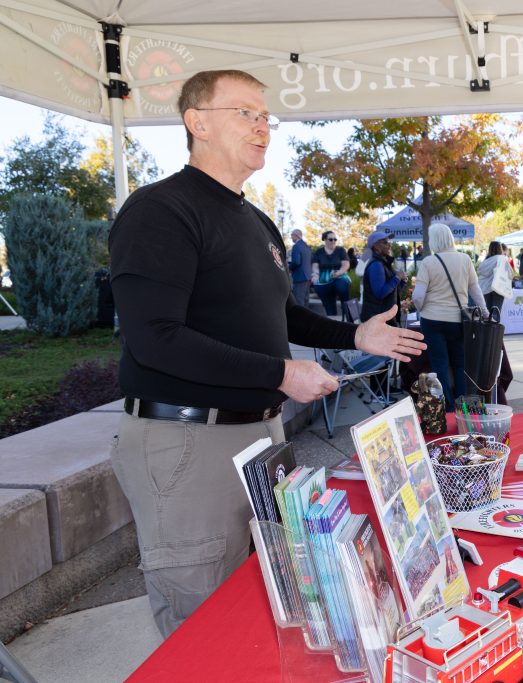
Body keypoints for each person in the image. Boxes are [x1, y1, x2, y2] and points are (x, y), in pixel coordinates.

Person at [107, 69, 425, 638]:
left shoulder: (255, 220)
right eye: (246, 113)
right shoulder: (161, 210)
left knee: (267, 601)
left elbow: (279, 315)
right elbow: (154, 336)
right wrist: (281, 372)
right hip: (188, 443)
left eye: (265, 116)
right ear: (197, 122)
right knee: (201, 621)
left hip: (262, 438)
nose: (262, 127)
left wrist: (354, 336)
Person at [411, 222, 487, 408]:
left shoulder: (428, 262)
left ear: (434, 240)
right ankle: (463, 405)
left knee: (440, 365)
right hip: (458, 320)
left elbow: (418, 296)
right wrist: (484, 310)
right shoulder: (465, 259)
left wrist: (421, 309)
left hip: (432, 319)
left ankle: (447, 407)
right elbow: (475, 289)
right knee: (460, 364)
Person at [361, 230, 407, 325]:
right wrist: (397, 278)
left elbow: (394, 292)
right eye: (385, 242)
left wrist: (402, 281)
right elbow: (380, 293)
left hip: (385, 318)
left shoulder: (384, 263)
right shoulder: (376, 265)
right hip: (377, 320)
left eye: (389, 242)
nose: (389, 245)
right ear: (376, 246)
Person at [312, 231, 352, 319]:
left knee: (341, 286)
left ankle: (347, 315)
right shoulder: (319, 252)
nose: (333, 241)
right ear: (324, 240)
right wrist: (315, 275)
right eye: (331, 239)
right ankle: (331, 316)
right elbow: (315, 265)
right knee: (321, 289)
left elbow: (346, 264)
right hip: (324, 277)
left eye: (335, 239)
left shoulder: (340, 250)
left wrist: (339, 272)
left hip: (339, 275)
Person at [477, 240, 514, 314]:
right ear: (500, 249)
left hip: (485, 289)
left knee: (486, 313)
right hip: (498, 288)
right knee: (495, 313)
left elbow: (480, 271)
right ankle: (494, 326)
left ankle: (487, 326)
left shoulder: (485, 261)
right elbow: (510, 273)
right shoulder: (502, 258)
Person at [287, 229, 312, 307]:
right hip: (307, 277)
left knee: (298, 301)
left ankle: (300, 319)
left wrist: (289, 268)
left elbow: (296, 262)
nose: (291, 238)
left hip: (299, 277)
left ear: (296, 235)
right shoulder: (306, 246)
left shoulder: (296, 246)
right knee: (305, 300)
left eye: (292, 235)